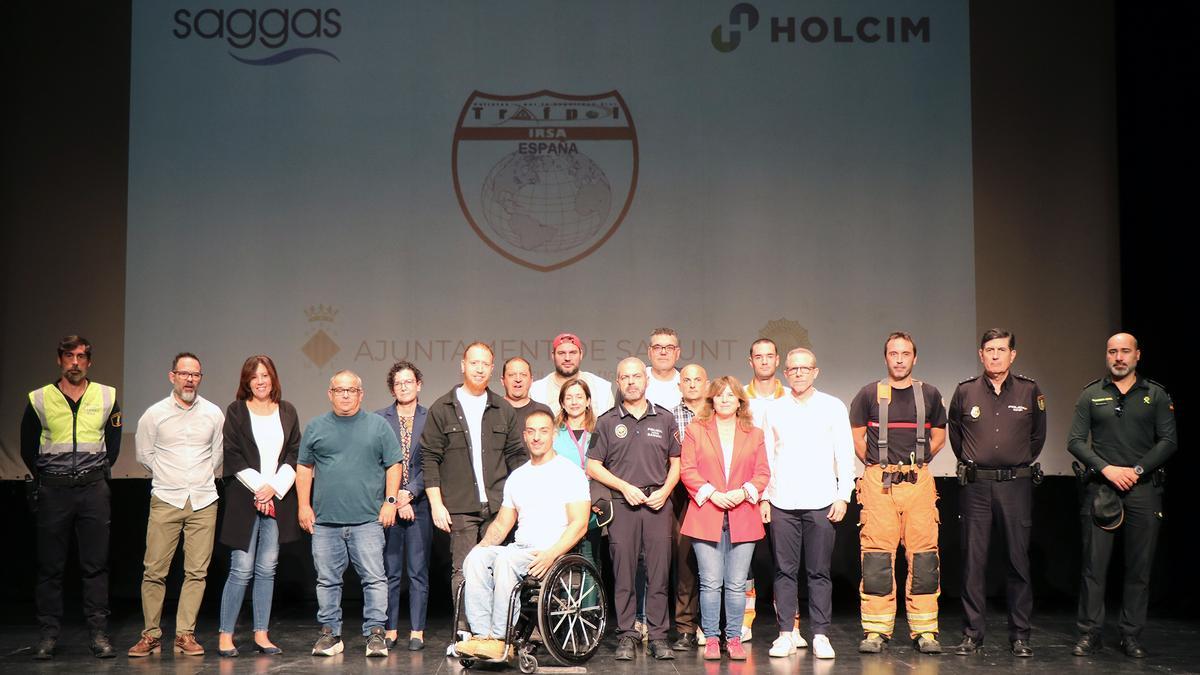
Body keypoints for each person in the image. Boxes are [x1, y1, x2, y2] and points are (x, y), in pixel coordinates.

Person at [1067, 333, 1177, 659]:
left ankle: (1131, 635)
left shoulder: (1155, 395)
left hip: (1144, 490)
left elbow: (1169, 441)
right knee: (1094, 567)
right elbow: (1075, 441)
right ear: (1106, 356)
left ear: (1137, 355)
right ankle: (1090, 633)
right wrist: (1108, 469)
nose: (1118, 357)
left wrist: (1138, 470)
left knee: (1139, 569)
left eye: (1125, 351)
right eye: (1112, 351)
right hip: (1102, 489)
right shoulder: (1091, 394)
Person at [455, 410, 591, 660]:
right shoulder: (518, 477)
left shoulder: (569, 472)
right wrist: (481, 547)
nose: (537, 437)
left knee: (506, 561)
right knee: (475, 559)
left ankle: (500, 639)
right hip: (520, 549)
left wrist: (552, 554)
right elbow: (501, 526)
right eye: (531, 431)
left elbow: (580, 524)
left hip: (550, 550)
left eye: (543, 431)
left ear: (553, 434)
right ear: (525, 436)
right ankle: (481, 637)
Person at [421, 342, 527, 652]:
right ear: (463, 366)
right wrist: (436, 503)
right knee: (464, 570)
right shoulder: (443, 408)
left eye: (485, 364)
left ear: (492, 369)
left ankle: (500, 633)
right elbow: (429, 458)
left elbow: (515, 457)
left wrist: (518, 502)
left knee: (501, 570)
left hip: (498, 506)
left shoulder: (502, 409)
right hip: (460, 507)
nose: (480, 368)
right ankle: (465, 634)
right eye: (474, 362)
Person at [21, 335, 122, 659]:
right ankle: (48, 635)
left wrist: (96, 473)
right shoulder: (40, 398)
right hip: (54, 490)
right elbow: (27, 445)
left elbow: (114, 443)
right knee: (50, 567)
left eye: (81, 356)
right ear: (59, 360)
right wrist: (47, 477)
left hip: (93, 490)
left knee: (95, 565)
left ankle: (98, 634)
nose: (75, 362)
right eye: (69, 356)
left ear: (89, 361)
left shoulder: (106, 396)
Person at [947, 330, 1046, 657]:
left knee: (1018, 561)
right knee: (973, 563)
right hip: (976, 486)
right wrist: (979, 463)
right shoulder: (965, 391)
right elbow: (957, 437)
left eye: (1001, 349)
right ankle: (973, 634)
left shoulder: (1030, 390)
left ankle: (1020, 636)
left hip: (1015, 485)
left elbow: (1037, 437)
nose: (995, 355)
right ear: (981, 354)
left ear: (1012, 354)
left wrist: (1013, 462)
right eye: (989, 350)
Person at [849, 332, 947, 654]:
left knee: (923, 558)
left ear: (914, 358)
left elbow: (939, 438)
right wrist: (879, 467)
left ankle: (925, 631)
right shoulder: (867, 395)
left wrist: (915, 465)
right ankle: (876, 631)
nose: (900, 359)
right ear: (886, 357)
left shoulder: (930, 394)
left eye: (906, 353)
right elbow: (859, 439)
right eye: (894, 353)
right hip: (879, 484)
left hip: (918, 483)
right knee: (877, 558)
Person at [296, 370, 401, 657]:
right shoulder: (316, 427)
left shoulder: (378, 426)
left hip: (367, 519)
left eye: (351, 390)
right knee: (327, 580)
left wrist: (390, 501)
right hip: (326, 521)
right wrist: (303, 505)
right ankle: (330, 634)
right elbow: (304, 468)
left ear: (361, 394)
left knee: (374, 578)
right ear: (330, 393)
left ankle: (376, 633)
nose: (345, 395)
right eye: (339, 390)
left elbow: (394, 464)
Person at [759, 348, 855, 660]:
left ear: (816, 371)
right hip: (782, 501)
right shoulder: (774, 409)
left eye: (805, 368)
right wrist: (764, 497)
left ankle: (821, 635)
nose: (798, 373)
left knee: (819, 572)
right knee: (784, 571)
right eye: (793, 369)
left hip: (822, 501)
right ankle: (786, 633)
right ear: (785, 373)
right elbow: (766, 456)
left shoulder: (832, 406)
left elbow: (844, 452)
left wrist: (843, 495)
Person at [129, 352, 225, 658]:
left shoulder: (213, 413)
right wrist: (170, 478)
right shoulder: (154, 414)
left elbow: (217, 455)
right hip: (166, 498)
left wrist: (199, 479)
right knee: (154, 570)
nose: (190, 379)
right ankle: (151, 635)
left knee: (197, 571)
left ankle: (185, 634)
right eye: (184, 374)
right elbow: (145, 455)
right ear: (172, 376)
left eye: (195, 375)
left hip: (203, 500)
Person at [587, 357, 680, 661]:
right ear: (618, 382)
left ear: (646, 380)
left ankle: (658, 636)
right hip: (622, 505)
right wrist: (623, 487)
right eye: (624, 377)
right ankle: (627, 634)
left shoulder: (665, 419)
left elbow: (677, 462)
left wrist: (665, 491)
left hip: (657, 504)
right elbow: (592, 465)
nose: (630, 382)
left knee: (658, 574)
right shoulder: (607, 421)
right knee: (623, 573)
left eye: (636, 376)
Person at [680, 376, 771, 661]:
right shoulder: (696, 430)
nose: (725, 400)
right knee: (710, 583)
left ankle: (733, 638)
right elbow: (688, 470)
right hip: (706, 513)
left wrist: (744, 492)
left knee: (735, 584)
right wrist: (712, 494)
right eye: (719, 396)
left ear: (740, 401)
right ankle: (710, 638)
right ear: (712, 400)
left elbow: (762, 473)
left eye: (730, 395)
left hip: (743, 514)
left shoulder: (754, 433)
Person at [216, 355, 301, 657]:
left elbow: (294, 453)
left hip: (278, 498)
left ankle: (261, 634)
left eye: (265, 375)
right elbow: (233, 454)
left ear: (273, 378)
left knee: (267, 569)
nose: (261, 381)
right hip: (245, 499)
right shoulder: (236, 411)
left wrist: (274, 488)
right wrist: (260, 489)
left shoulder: (287, 411)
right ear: (247, 382)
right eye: (255, 376)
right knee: (241, 569)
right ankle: (226, 635)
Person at [375, 360, 433, 651]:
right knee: (391, 570)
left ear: (419, 385)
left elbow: (433, 463)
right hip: (388, 504)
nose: (404, 387)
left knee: (418, 571)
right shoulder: (379, 418)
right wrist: (396, 499)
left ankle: (417, 630)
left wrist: (410, 493)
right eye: (398, 383)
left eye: (409, 381)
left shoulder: (431, 418)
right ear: (392, 388)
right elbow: (378, 464)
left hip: (420, 504)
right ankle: (390, 628)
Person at [740, 337, 786, 641]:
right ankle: (744, 622)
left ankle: (789, 625)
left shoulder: (792, 398)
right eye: (759, 356)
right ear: (751, 361)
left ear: (778, 360)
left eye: (770, 356)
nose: (765, 361)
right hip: (746, 493)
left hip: (784, 492)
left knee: (786, 563)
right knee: (744, 563)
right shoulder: (740, 398)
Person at [669, 364, 707, 651]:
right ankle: (685, 627)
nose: (692, 385)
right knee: (684, 561)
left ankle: (713, 627)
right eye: (687, 380)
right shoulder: (669, 417)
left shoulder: (720, 414)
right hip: (681, 493)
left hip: (715, 492)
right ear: (679, 385)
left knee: (715, 563)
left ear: (707, 385)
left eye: (698, 380)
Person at [552, 377, 603, 569]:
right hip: (562, 505)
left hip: (592, 506)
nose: (574, 402)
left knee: (589, 560)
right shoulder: (554, 432)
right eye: (569, 397)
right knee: (562, 560)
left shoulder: (599, 431)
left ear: (588, 401)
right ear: (563, 403)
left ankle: (591, 600)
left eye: (579, 397)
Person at [530, 333, 614, 416]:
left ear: (581, 354)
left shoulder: (602, 388)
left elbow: (610, 425)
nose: (567, 358)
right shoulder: (536, 391)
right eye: (561, 353)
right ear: (553, 355)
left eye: (573, 353)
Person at [501, 356, 553, 434]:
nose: (518, 379)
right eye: (511, 375)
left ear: (531, 381)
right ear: (503, 381)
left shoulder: (544, 411)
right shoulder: (492, 410)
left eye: (523, 375)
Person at [645, 327, 682, 411]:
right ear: (649, 352)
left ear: (677, 353)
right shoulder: (634, 380)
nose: (663, 352)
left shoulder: (688, 381)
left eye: (669, 347)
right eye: (657, 347)